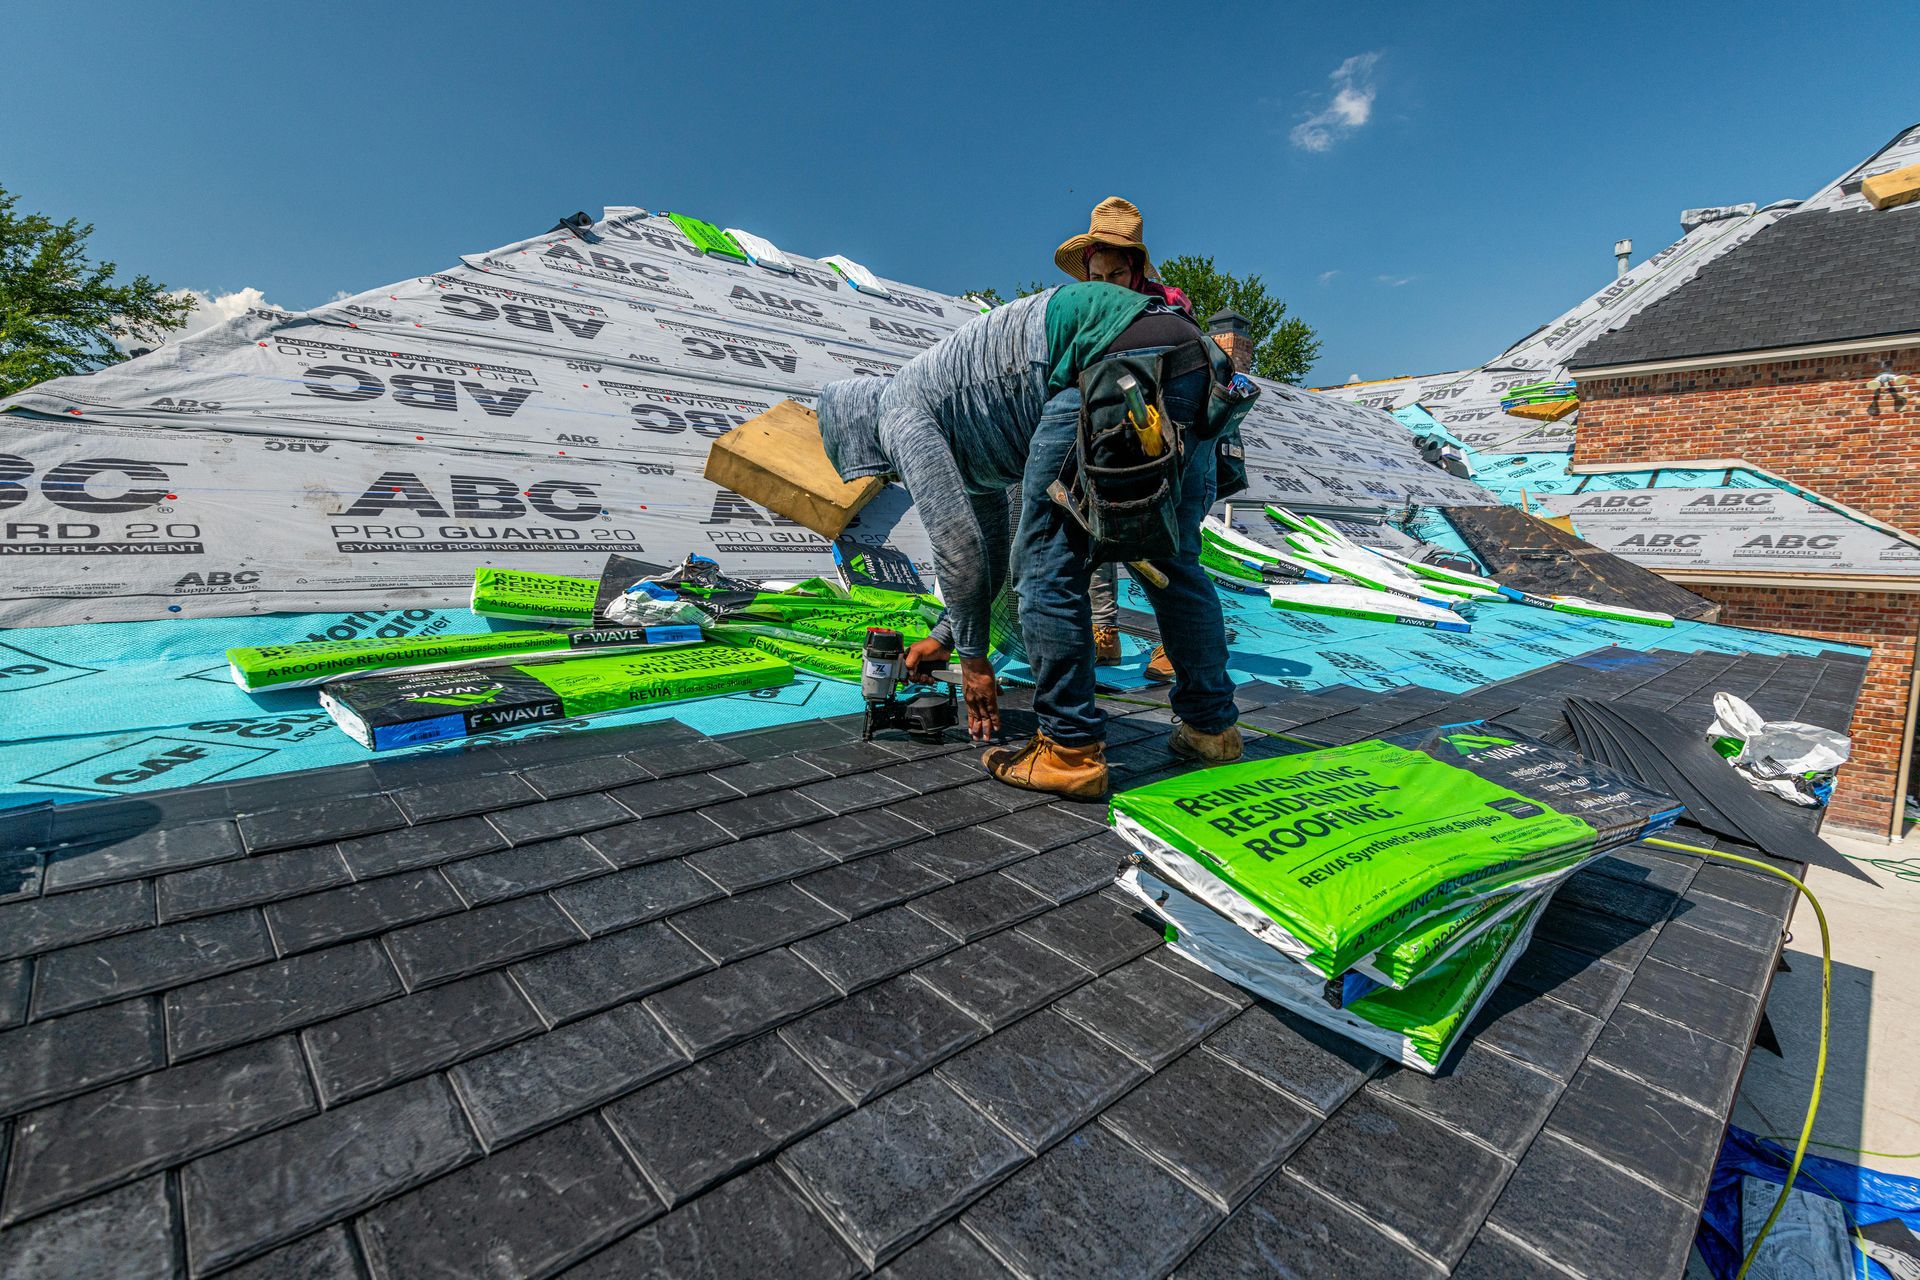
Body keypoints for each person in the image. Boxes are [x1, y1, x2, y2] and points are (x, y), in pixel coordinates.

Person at [817, 281, 1240, 800]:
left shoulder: (899, 413)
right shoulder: (965, 415)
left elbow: (958, 547)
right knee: (1170, 561)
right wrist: (949, 637)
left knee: (1043, 570)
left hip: (1104, 360)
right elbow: (988, 543)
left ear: (859, 434)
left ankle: (1069, 751)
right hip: (1192, 359)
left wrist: (974, 662)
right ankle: (1211, 730)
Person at [1054, 197, 1195, 673]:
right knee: (1096, 536)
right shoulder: (1085, 317)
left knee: (1169, 549)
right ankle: (1104, 630)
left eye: (1115, 276)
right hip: (1106, 446)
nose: (1105, 286)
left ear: (1135, 272)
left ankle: (1175, 647)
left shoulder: (1168, 314)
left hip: (1166, 453)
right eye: (1096, 277)